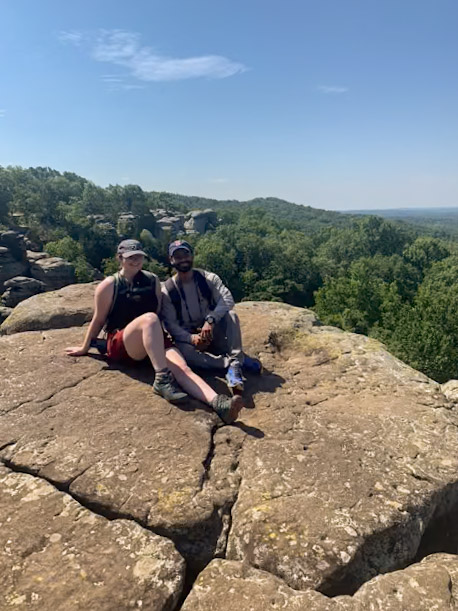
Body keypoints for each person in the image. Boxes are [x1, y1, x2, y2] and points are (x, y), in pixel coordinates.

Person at [65, 239, 243, 424]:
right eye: (130, 257)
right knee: (150, 319)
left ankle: (219, 404)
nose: (136, 261)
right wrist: (85, 346)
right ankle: (161, 379)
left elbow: (161, 314)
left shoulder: (152, 281)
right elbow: (99, 319)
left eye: (139, 257)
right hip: (123, 342)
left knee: (183, 368)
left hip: (153, 340)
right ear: (120, 258)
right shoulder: (109, 285)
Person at [161, 240, 262, 394]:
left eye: (186, 255)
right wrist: (192, 338)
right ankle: (231, 362)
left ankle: (235, 364)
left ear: (192, 256)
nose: (183, 259)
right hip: (192, 338)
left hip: (214, 331)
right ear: (171, 260)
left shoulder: (208, 279)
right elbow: (170, 324)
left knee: (232, 316)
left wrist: (211, 320)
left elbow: (227, 299)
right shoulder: (167, 290)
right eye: (178, 256)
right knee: (182, 353)